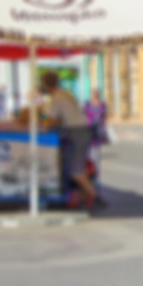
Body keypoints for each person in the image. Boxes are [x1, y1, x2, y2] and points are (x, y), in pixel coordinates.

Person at [39, 70, 100, 210]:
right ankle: (85, 198)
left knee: (75, 170)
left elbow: (53, 119)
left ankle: (94, 196)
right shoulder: (65, 94)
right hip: (82, 131)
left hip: (76, 132)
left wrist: (43, 120)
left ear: (46, 85)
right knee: (78, 167)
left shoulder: (56, 98)